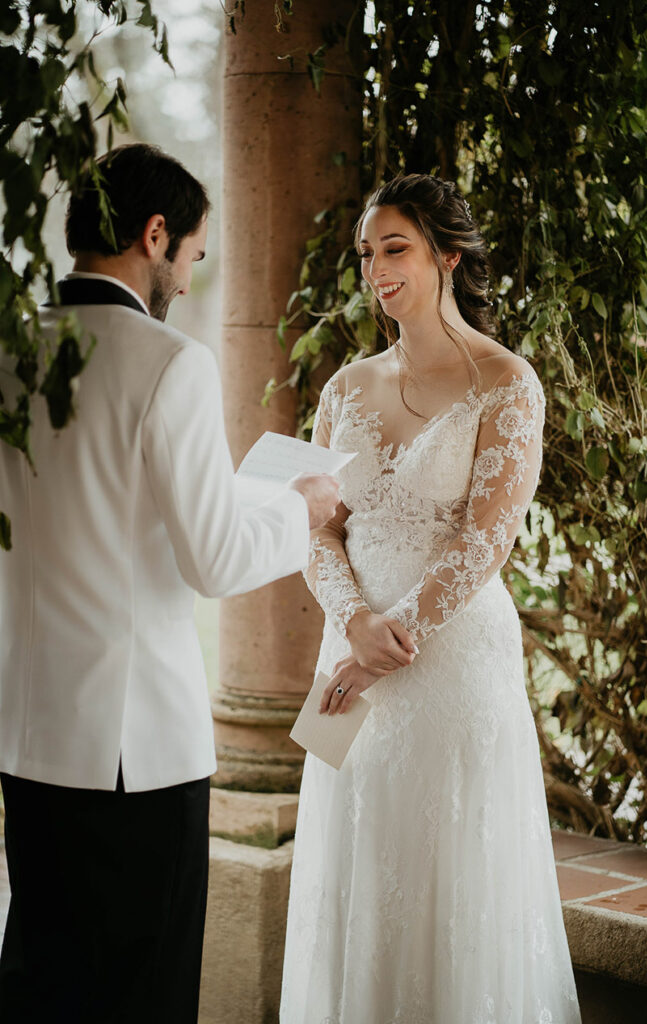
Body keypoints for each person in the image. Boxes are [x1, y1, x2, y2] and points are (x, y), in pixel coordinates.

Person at [0, 143, 339, 1024]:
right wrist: (301, 508)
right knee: (138, 997)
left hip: (31, 738)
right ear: (155, 235)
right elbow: (215, 559)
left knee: (41, 985)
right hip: (134, 752)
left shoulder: (10, 351)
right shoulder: (168, 362)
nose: (188, 282)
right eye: (191, 256)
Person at [280, 174, 581, 1023]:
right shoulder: (343, 388)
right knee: (359, 866)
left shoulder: (506, 381)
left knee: (452, 874)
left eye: (395, 247)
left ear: (447, 254)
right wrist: (353, 624)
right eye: (367, 253)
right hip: (347, 656)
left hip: (450, 663)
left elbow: (486, 537)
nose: (375, 267)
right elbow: (317, 529)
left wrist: (395, 634)